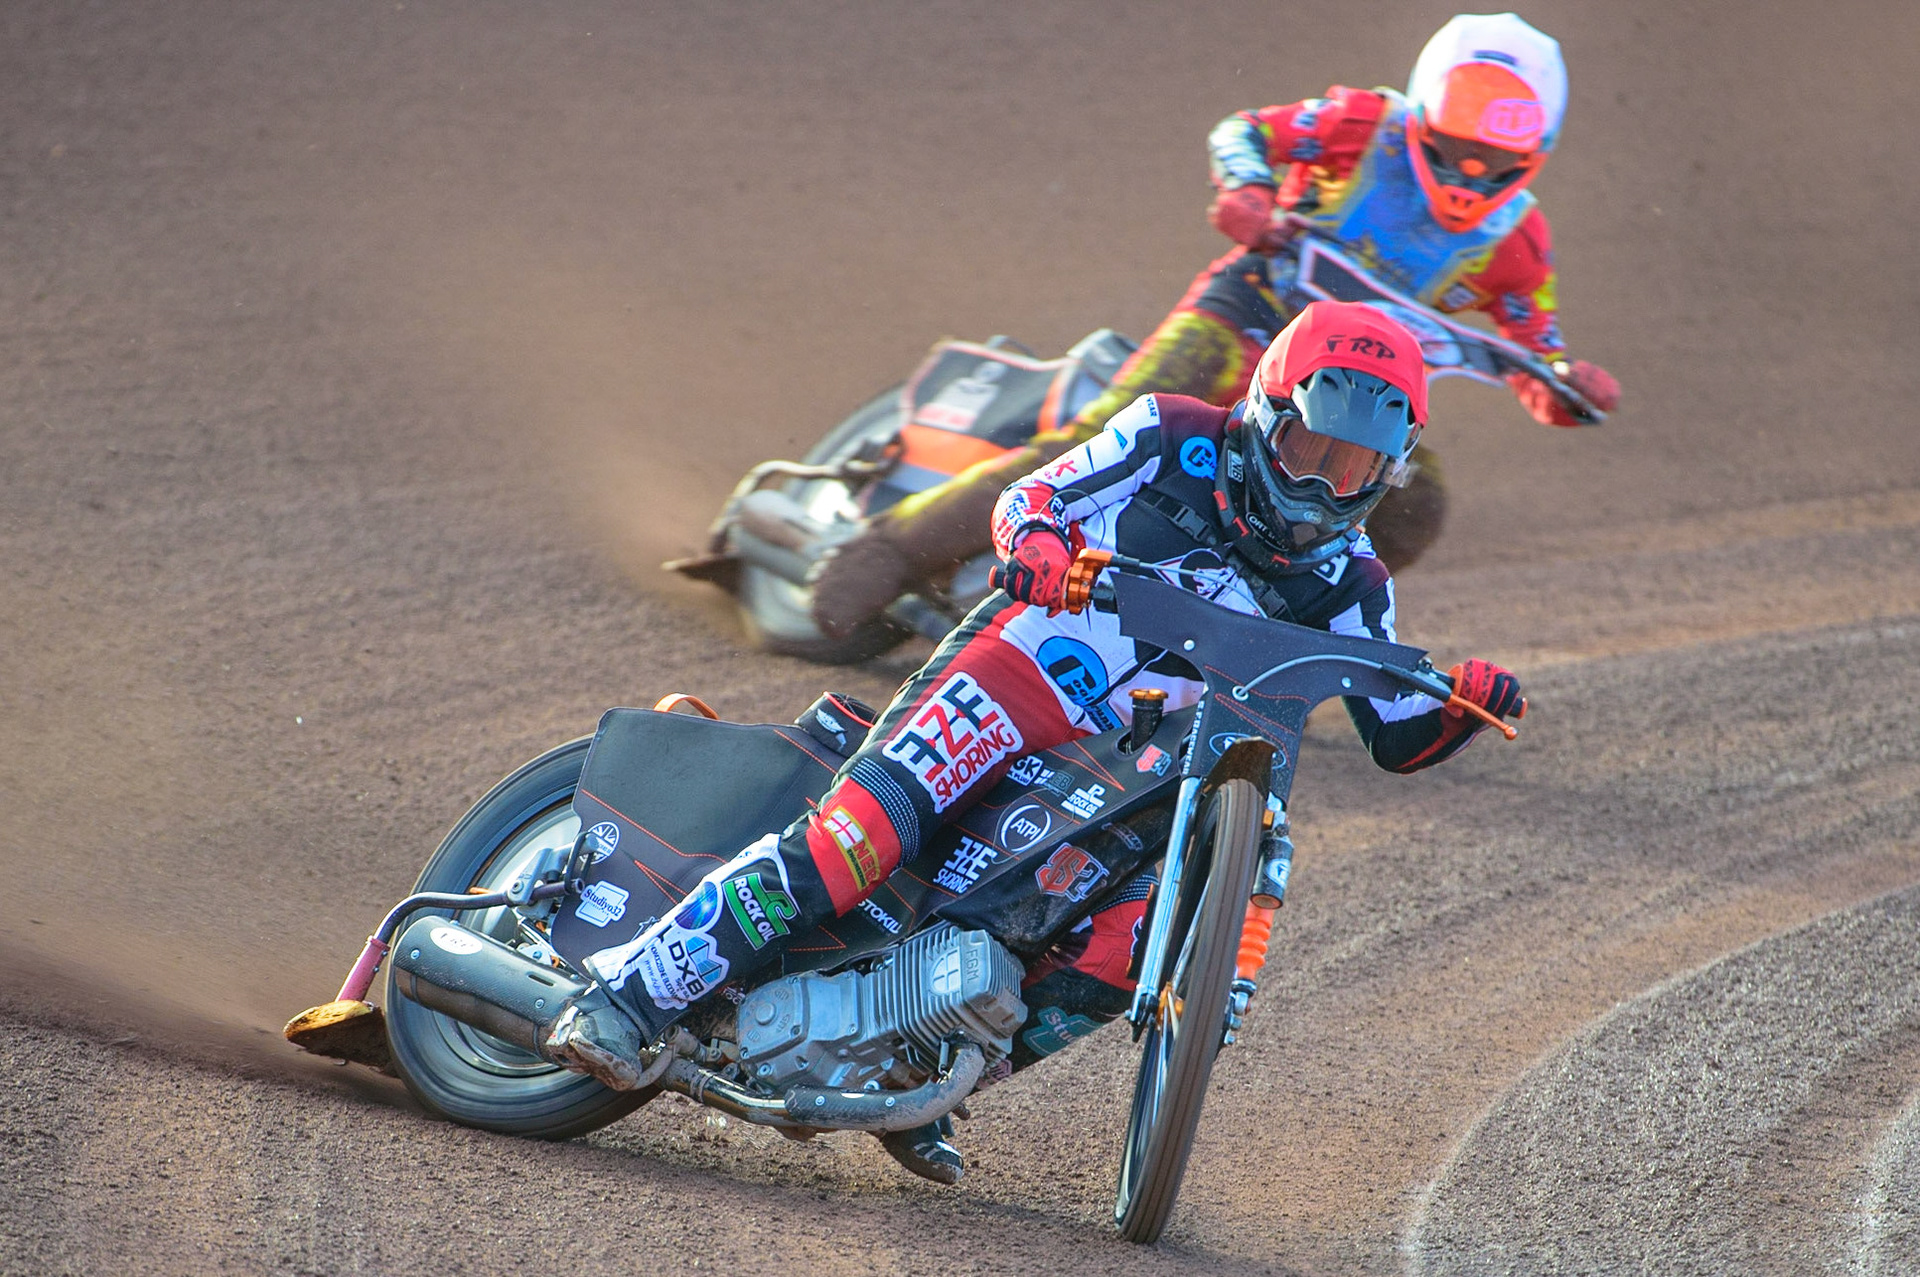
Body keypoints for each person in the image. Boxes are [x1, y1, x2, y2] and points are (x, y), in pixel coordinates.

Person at [550, 302, 1526, 1183]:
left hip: (1140, 759)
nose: (1322, 484)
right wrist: (1042, 546)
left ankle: (924, 1070)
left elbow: (1396, 731)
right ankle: (629, 996)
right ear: (1268, 413)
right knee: (856, 841)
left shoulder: (1356, 581)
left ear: (1389, 469)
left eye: (1353, 468)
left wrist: (1458, 705)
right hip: (1021, 672)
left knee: (1120, 948)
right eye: (1310, 448)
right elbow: (1032, 496)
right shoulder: (1172, 433)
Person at [808, 11, 1619, 640]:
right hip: (1246, 318)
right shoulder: (1362, 124)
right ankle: (887, 550)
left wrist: (1565, 390)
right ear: (1424, 109)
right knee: (1108, 433)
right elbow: (1246, 133)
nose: (1472, 169)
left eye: (1496, 156)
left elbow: (1533, 351)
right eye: (1456, 143)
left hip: (1349, 395)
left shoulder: (1519, 242)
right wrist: (1248, 190)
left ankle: (1275, 636)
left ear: (1538, 148)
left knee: (1410, 502)